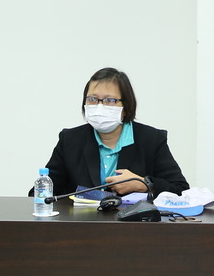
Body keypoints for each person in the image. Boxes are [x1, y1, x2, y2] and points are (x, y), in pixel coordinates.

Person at [42, 67, 189, 198]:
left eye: (110, 100)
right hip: (81, 219)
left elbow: (180, 190)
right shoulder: (70, 139)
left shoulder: (151, 139)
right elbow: (42, 192)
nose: (99, 106)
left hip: (132, 220)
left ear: (126, 107)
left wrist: (143, 184)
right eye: (92, 99)